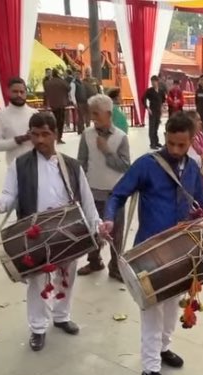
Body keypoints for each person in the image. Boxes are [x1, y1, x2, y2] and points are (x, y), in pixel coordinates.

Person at [101, 113, 203, 375]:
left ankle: (163, 349)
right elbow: (117, 194)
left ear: (190, 140)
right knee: (151, 312)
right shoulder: (147, 165)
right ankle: (150, 369)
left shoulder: (193, 168)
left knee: (172, 306)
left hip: (182, 249)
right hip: (149, 250)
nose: (175, 150)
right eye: (171, 143)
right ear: (165, 138)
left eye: (181, 145)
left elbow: (202, 204)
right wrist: (110, 218)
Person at [0, 112, 98, 352]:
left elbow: (86, 199)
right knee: (37, 280)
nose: (40, 139)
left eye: (45, 134)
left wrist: (96, 226)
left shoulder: (71, 165)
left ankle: (62, 316)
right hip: (35, 234)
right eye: (35, 134)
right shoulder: (19, 165)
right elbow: (9, 196)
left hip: (67, 231)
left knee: (67, 274)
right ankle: (38, 327)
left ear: (56, 134)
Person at [76, 94, 130, 280]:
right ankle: (94, 261)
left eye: (97, 114)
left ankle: (116, 267)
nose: (93, 118)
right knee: (92, 230)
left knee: (116, 233)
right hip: (92, 192)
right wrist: (79, 189)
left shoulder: (121, 137)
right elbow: (81, 163)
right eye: (92, 114)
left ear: (108, 114)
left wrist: (107, 151)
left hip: (115, 194)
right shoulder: (87, 135)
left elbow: (125, 166)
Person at [0, 77, 37, 166]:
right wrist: (19, 139)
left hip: (37, 165)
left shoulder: (34, 113)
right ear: (8, 92)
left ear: (26, 93)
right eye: (15, 91)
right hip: (14, 167)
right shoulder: (0, 115)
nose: (19, 95)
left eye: (22, 92)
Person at [44, 68, 71, 144]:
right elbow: (69, 88)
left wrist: (45, 104)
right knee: (61, 121)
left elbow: (45, 93)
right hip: (62, 104)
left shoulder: (48, 83)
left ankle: (54, 136)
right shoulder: (61, 81)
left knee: (55, 120)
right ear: (58, 74)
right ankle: (59, 137)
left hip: (53, 104)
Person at [144, 75, 165, 150]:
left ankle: (156, 142)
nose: (153, 83)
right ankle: (152, 143)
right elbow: (143, 99)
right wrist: (147, 108)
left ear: (157, 81)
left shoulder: (161, 91)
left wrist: (162, 107)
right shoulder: (149, 91)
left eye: (154, 81)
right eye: (151, 82)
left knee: (156, 127)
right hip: (152, 111)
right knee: (152, 128)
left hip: (158, 111)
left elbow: (163, 100)